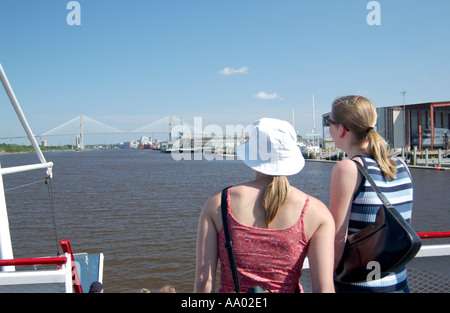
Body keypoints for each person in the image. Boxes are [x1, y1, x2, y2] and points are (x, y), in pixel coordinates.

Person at [194, 118, 335, 293]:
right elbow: (324, 289)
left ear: (251, 155)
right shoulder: (316, 212)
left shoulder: (219, 203)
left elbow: (203, 280)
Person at [327, 95, 414, 293]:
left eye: (329, 122)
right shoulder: (402, 166)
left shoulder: (348, 169)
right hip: (399, 284)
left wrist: (326, 283)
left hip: (360, 286)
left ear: (342, 129)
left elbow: (337, 239)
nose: (329, 129)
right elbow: (402, 227)